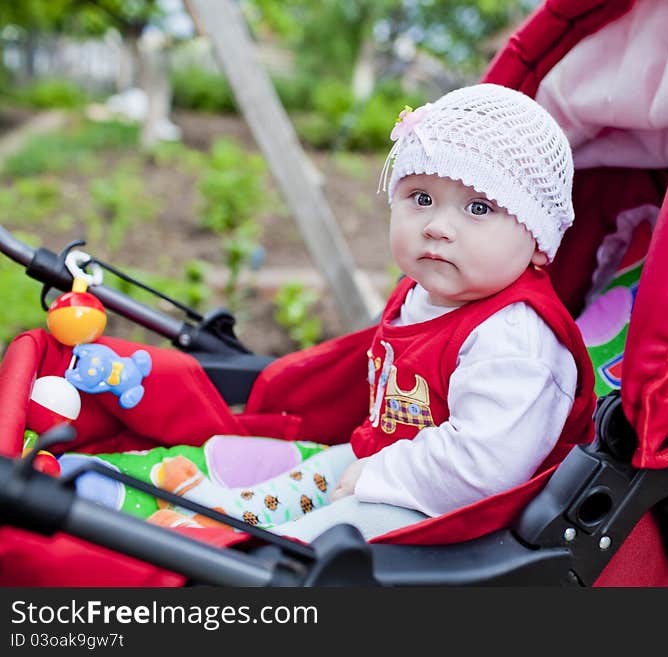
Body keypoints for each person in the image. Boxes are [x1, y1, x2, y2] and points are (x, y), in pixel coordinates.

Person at [147, 83, 595, 542]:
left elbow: (484, 465)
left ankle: (264, 547)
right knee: (323, 467)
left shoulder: (515, 339)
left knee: (333, 531)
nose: (437, 227)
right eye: (421, 198)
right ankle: (229, 513)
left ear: (540, 243)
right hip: (392, 457)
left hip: (463, 513)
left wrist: (378, 474)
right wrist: (369, 464)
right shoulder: (422, 292)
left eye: (478, 207)